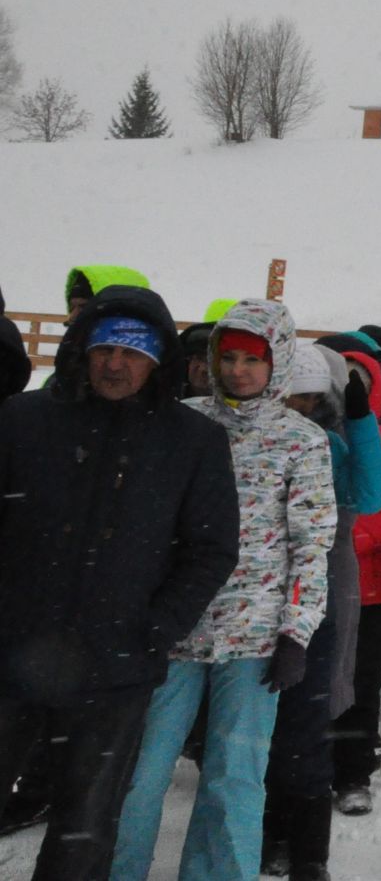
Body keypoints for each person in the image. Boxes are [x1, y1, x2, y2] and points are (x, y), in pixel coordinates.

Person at [0, 287, 238, 881]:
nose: (115, 363)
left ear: (158, 359)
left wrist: (155, 628)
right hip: (7, 653)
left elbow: (211, 549)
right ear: (81, 349)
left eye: (133, 352)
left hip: (116, 667)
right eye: (104, 348)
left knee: (87, 820)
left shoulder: (193, 441)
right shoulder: (20, 419)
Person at [113, 299, 337, 881]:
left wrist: (296, 630)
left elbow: (312, 543)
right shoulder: (179, 420)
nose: (238, 370)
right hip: (172, 623)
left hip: (256, 634)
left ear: (278, 363)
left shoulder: (302, 440)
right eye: (228, 357)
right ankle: (116, 868)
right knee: (142, 766)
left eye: (252, 360)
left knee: (235, 772)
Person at [263, 344, 381, 881]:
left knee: (308, 717)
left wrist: (360, 421)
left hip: (322, 579)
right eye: (294, 395)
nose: (301, 406)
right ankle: (269, 834)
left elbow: (371, 493)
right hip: (259, 584)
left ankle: (309, 849)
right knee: (258, 721)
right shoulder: (254, 436)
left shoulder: (335, 442)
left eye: (313, 397)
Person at [329, 348, 381, 818]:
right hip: (309, 585)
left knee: (360, 681)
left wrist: (322, 542)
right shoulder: (309, 436)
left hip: (368, 586)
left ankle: (353, 770)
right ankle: (307, 765)